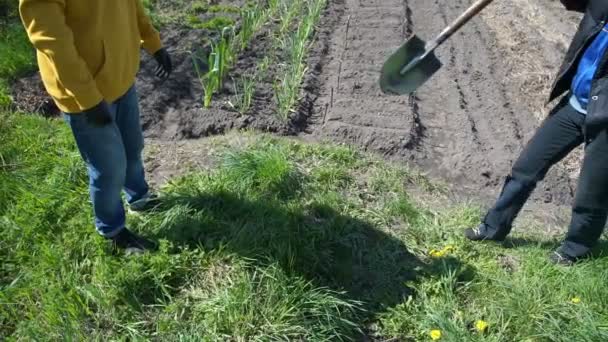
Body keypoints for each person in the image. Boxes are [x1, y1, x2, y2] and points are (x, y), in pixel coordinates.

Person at [19, 0, 173, 254]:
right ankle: (112, 230)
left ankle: (139, 196)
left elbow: (130, 5)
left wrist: (152, 41)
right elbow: (54, 43)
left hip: (121, 78)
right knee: (109, 168)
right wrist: (88, 99)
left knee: (133, 147)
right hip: (83, 95)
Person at [465, 0, 608, 266]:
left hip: (605, 117)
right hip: (574, 106)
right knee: (525, 168)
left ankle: (573, 251)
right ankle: (492, 228)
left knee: (592, 193)